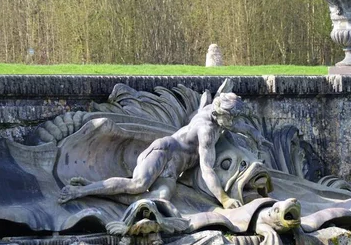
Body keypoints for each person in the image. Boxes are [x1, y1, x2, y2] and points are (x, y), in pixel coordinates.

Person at [58, 90, 261, 209]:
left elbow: (224, 121)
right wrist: (224, 200)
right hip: (163, 152)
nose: (233, 122)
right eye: (231, 117)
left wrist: (255, 136)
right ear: (220, 112)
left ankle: (96, 190)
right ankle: (80, 191)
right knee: (137, 185)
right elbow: (206, 169)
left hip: (173, 169)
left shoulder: (216, 114)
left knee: (158, 199)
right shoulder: (207, 129)